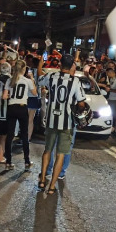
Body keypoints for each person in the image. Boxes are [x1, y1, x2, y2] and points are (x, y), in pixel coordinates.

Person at [37, 54, 86, 194]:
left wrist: (40, 63)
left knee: (47, 150)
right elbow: (81, 103)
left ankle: (42, 181)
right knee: (61, 154)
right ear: (71, 66)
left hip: (51, 120)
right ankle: (52, 186)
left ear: (59, 64)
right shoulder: (75, 81)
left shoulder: (51, 77)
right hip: (67, 123)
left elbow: (39, 77)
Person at [3, 60, 37, 170]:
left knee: (10, 135)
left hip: (12, 107)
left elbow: (4, 96)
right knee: (24, 134)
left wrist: (11, 96)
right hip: (22, 107)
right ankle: (27, 160)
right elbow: (35, 93)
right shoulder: (27, 81)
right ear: (24, 69)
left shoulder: (9, 80)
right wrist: (32, 79)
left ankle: (8, 161)